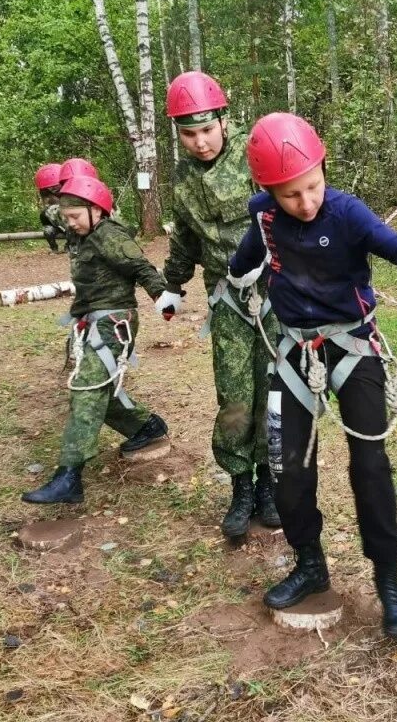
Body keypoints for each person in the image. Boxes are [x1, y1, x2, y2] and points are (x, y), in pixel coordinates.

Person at [229, 112, 397, 638]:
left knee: (369, 465)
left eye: (312, 187)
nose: (305, 203)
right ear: (268, 191)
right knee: (285, 465)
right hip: (294, 352)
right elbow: (245, 259)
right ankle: (309, 562)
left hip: (354, 348)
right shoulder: (263, 218)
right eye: (289, 195)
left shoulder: (347, 214)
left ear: (324, 168)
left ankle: (388, 580)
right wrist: (238, 277)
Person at [156, 71, 280, 541]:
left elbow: (290, 204)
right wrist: (172, 286)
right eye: (189, 134)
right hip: (225, 299)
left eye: (207, 130)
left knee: (272, 390)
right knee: (233, 396)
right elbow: (185, 238)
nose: (200, 142)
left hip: (273, 293)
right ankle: (240, 487)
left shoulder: (256, 154)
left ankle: (269, 484)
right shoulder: (184, 178)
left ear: (224, 121)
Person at [22, 175, 170, 504]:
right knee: (98, 389)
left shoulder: (110, 235)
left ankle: (68, 476)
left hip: (115, 324)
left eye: (75, 217)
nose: (70, 224)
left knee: (87, 389)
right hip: (94, 321)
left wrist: (163, 297)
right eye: (67, 217)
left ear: (96, 210)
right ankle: (147, 427)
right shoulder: (85, 233)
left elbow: (142, 267)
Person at [34, 163, 66, 253]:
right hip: (57, 222)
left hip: (68, 223)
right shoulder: (47, 207)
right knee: (48, 230)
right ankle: (54, 248)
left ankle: (70, 246)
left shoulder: (69, 194)